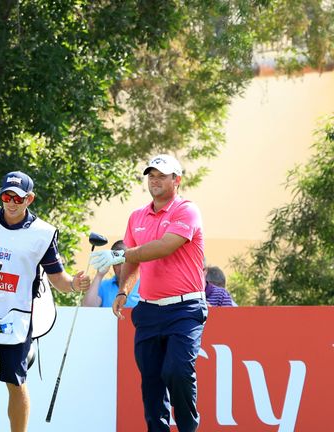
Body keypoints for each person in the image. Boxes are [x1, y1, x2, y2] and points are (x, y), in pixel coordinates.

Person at [0, 170, 90, 432]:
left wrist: (74, 284)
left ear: (30, 199)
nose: (12, 202)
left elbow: (58, 278)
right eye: (7, 196)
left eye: (18, 198)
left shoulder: (43, 233)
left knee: (15, 383)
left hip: (18, 317)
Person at [90, 154, 207, 432]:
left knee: (177, 371)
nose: (154, 180)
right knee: (152, 382)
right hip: (149, 309)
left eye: (161, 175)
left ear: (176, 180)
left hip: (185, 309)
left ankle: (188, 428)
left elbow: (164, 246)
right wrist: (122, 292)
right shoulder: (137, 217)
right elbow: (133, 262)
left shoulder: (186, 210)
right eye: (151, 175)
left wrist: (122, 253)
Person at [82, 240, 140, 308]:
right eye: (117, 263)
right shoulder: (104, 285)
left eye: (125, 262)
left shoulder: (145, 284)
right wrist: (99, 275)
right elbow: (88, 306)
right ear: (112, 265)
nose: (122, 268)